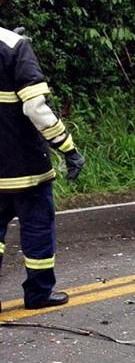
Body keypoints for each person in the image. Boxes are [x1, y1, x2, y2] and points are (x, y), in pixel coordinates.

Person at [0, 26, 85, 310]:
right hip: (24, 167)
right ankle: (38, 293)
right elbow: (36, 108)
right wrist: (68, 147)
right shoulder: (15, 46)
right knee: (37, 227)